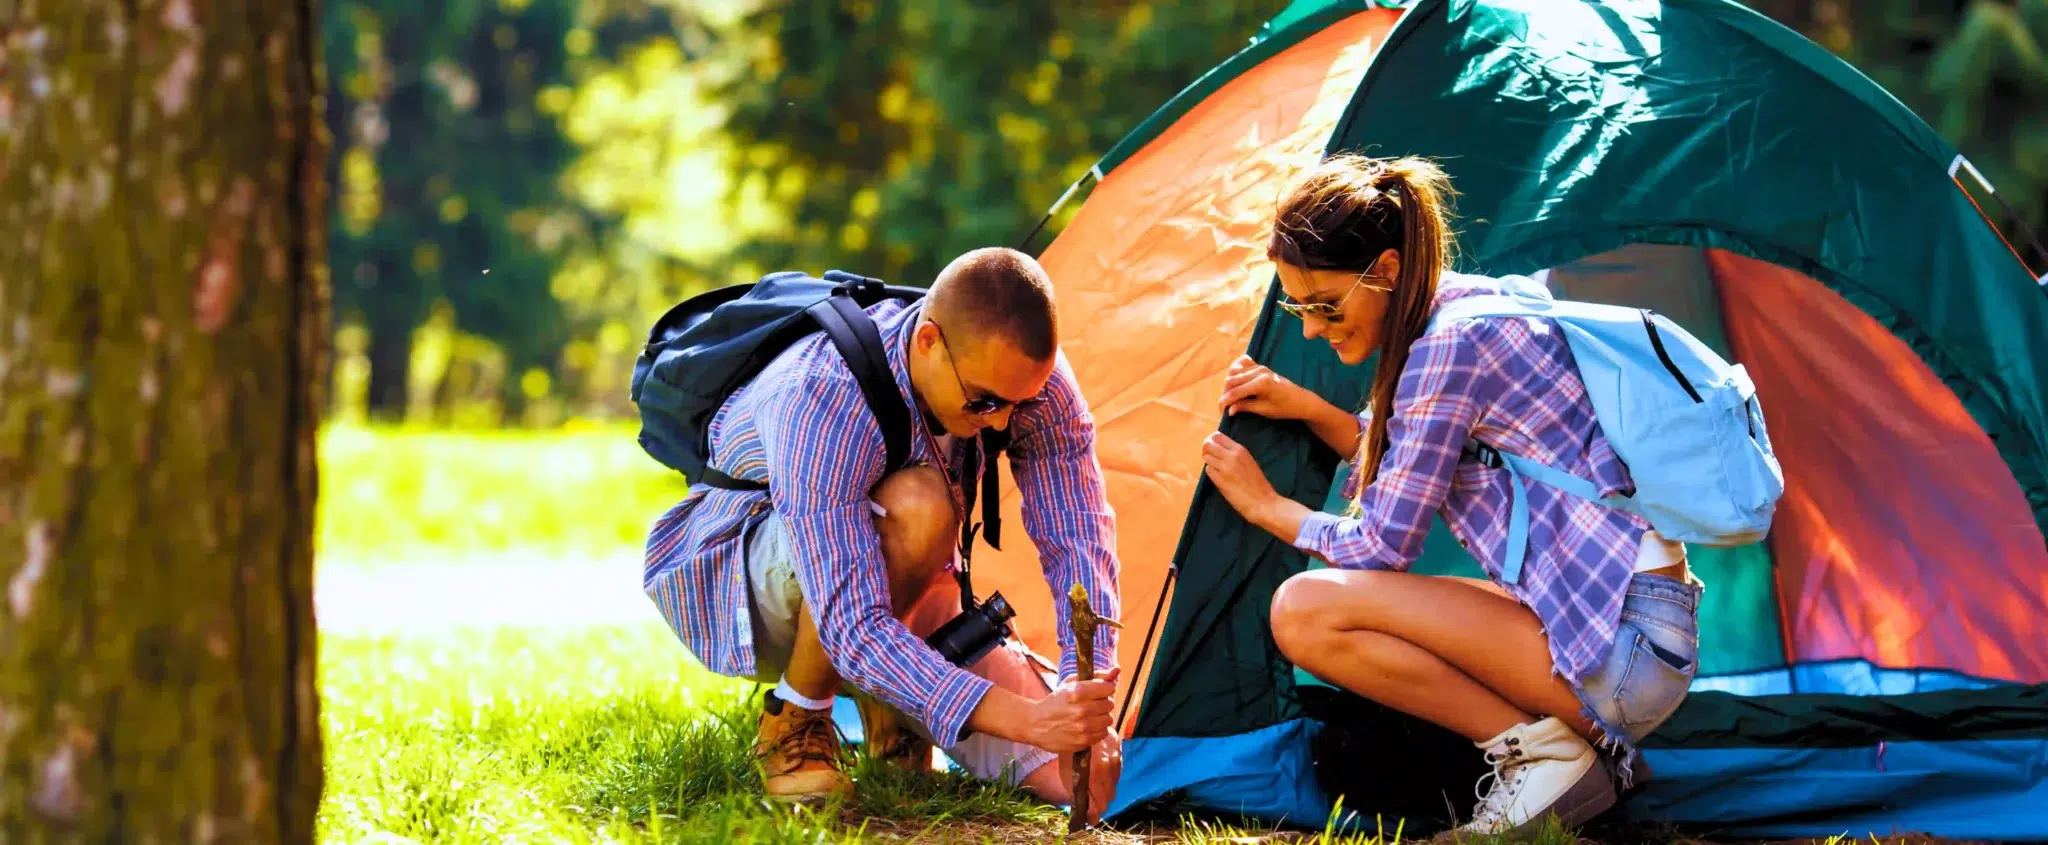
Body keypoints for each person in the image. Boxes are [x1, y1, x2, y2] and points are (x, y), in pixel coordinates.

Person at [1198, 153, 1704, 838]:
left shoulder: (1447, 348)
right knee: (1390, 604)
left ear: (1385, 271)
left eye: (1324, 304)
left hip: (1627, 646)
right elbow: (1413, 460)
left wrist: (1268, 508)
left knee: (1304, 611)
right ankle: (1582, 752)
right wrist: (1312, 410)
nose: (1312, 327)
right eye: (1298, 305)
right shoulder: (1469, 305)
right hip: (1640, 629)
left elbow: (1385, 542)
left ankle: (1546, 757)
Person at [642, 247, 1124, 820]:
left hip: (905, 587)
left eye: (1017, 404)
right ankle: (795, 720)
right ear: (928, 342)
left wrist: (1082, 686)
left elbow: (1078, 536)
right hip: (753, 580)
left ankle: (890, 705)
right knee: (921, 507)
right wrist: (1028, 719)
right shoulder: (821, 393)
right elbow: (851, 624)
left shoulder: (1026, 384)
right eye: (985, 402)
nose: (1000, 421)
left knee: (1086, 783)